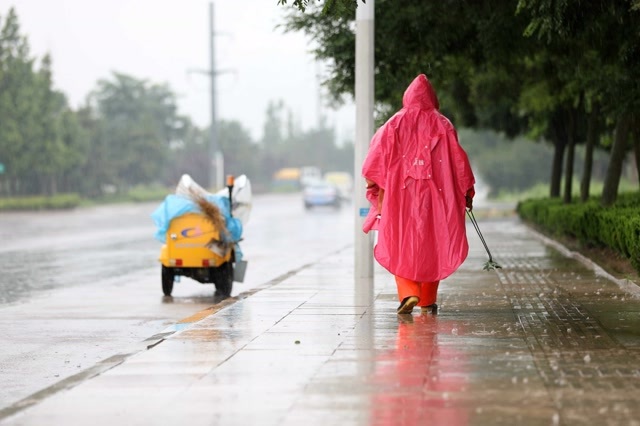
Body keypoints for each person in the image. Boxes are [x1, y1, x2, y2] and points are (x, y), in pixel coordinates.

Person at [362, 74, 475, 315]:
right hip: (437, 196)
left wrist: (374, 183)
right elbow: (459, 161)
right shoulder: (443, 124)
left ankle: (409, 292)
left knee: (399, 241)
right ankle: (426, 300)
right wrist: (467, 191)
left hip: (398, 196)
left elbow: (374, 161)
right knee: (434, 243)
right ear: (433, 98)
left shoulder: (393, 124)